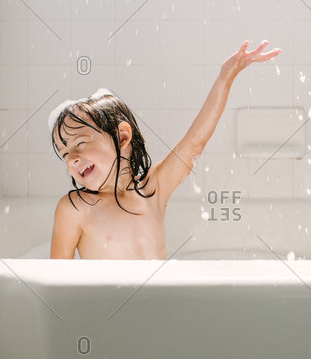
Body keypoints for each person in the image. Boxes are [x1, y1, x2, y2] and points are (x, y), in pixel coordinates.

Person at [48, 40, 281, 259]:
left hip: (157, 302)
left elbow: (194, 142)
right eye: (65, 153)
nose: (72, 160)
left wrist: (225, 78)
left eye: (80, 144)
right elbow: (56, 281)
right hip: (108, 304)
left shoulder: (153, 189)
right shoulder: (75, 209)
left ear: (121, 137)